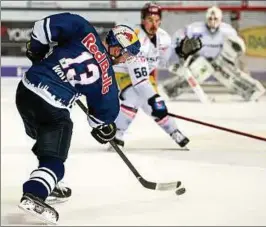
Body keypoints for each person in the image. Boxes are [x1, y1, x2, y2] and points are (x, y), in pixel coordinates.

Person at [15, 12, 141, 225]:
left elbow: (41, 28)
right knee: (55, 155)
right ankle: (35, 193)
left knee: (45, 138)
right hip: (51, 106)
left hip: (25, 90)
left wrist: (37, 51)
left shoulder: (83, 28)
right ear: (117, 49)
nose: (126, 59)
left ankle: (48, 181)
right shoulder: (107, 79)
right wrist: (105, 130)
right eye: (127, 55)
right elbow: (100, 120)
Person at [110, 2, 201, 150]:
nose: (154, 24)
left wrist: (180, 53)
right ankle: (117, 134)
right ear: (142, 20)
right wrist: (155, 101)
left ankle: (173, 131)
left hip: (145, 74)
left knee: (152, 103)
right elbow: (139, 82)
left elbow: (165, 63)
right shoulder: (133, 39)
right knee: (136, 97)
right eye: (150, 20)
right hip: (124, 72)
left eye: (157, 20)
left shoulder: (163, 37)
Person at [163, 6, 265, 101]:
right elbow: (179, 36)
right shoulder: (194, 28)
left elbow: (237, 48)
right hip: (198, 59)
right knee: (193, 74)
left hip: (219, 60)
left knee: (231, 75)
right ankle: (167, 91)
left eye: (215, 19)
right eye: (210, 19)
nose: (212, 21)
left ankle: (253, 91)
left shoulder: (227, 30)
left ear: (220, 19)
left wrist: (231, 59)